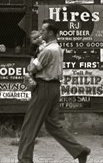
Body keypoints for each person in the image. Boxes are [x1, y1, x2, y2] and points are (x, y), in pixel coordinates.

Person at [18, 19, 91, 163]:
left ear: (50, 32)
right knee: (53, 125)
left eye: (43, 31)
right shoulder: (56, 48)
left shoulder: (48, 51)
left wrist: (35, 53)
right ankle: (79, 150)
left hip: (43, 87)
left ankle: (24, 160)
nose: (40, 33)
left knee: (29, 126)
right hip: (54, 88)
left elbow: (32, 69)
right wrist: (39, 48)